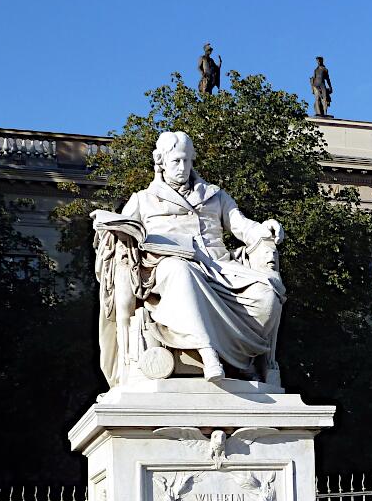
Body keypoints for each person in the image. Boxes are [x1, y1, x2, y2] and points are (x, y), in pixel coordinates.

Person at [94, 131, 285, 385]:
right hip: (163, 268)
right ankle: (207, 352)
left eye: (186, 160)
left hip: (219, 268)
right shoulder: (142, 199)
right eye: (175, 161)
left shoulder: (215, 195)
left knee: (267, 292)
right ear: (160, 161)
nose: (182, 167)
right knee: (180, 271)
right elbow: (121, 234)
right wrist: (109, 230)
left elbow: (242, 226)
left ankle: (241, 359)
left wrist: (264, 228)